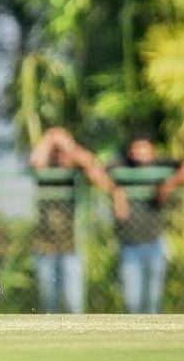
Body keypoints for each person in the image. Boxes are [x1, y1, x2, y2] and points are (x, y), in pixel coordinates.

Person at [28, 127, 128, 313]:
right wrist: (51, 138)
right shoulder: (45, 172)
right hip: (45, 247)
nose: (60, 154)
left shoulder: (78, 173)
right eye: (56, 151)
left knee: (73, 305)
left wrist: (66, 143)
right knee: (50, 307)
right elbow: (35, 160)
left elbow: (89, 162)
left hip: (71, 247)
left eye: (63, 150)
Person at [112, 134, 184, 314]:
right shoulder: (121, 167)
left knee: (153, 301)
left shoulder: (161, 165)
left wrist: (169, 184)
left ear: (152, 150)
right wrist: (115, 191)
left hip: (155, 242)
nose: (139, 152)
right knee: (131, 302)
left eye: (144, 148)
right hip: (129, 244)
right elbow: (95, 169)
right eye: (136, 148)